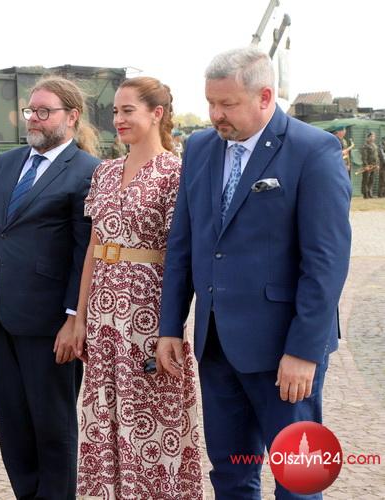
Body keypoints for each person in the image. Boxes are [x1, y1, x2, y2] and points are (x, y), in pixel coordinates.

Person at [158, 47, 351, 499]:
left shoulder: (312, 150)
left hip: (283, 349)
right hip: (216, 345)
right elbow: (183, 244)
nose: (215, 115)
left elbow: (325, 263)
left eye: (227, 104)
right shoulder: (200, 148)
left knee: (297, 478)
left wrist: (303, 351)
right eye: (210, 102)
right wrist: (170, 326)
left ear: (265, 97)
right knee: (229, 474)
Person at [0, 76, 100, 499]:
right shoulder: (7, 163)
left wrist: (74, 318)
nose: (34, 119)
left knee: (52, 427)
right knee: (13, 425)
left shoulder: (88, 171)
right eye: (31, 111)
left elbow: (84, 254)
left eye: (45, 112)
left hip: (50, 324)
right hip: (1, 317)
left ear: (71, 117)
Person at [74, 77, 203, 498]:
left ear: (156, 113)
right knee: (103, 414)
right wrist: (80, 318)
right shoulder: (105, 172)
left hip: (147, 312)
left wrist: (170, 326)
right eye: (115, 111)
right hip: (102, 313)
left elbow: (180, 256)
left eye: (128, 110)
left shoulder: (175, 173)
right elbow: (93, 248)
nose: (118, 119)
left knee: (151, 415)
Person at [360, 131, 379, 199]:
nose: (373, 138)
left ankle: (370, 193)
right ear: (368, 137)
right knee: (366, 180)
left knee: (371, 180)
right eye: (372, 136)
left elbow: (376, 156)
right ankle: (365, 194)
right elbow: (364, 157)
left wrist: (377, 164)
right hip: (368, 165)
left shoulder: (374, 145)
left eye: (374, 136)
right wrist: (366, 165)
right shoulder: (365, 146)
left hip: (374, 165)